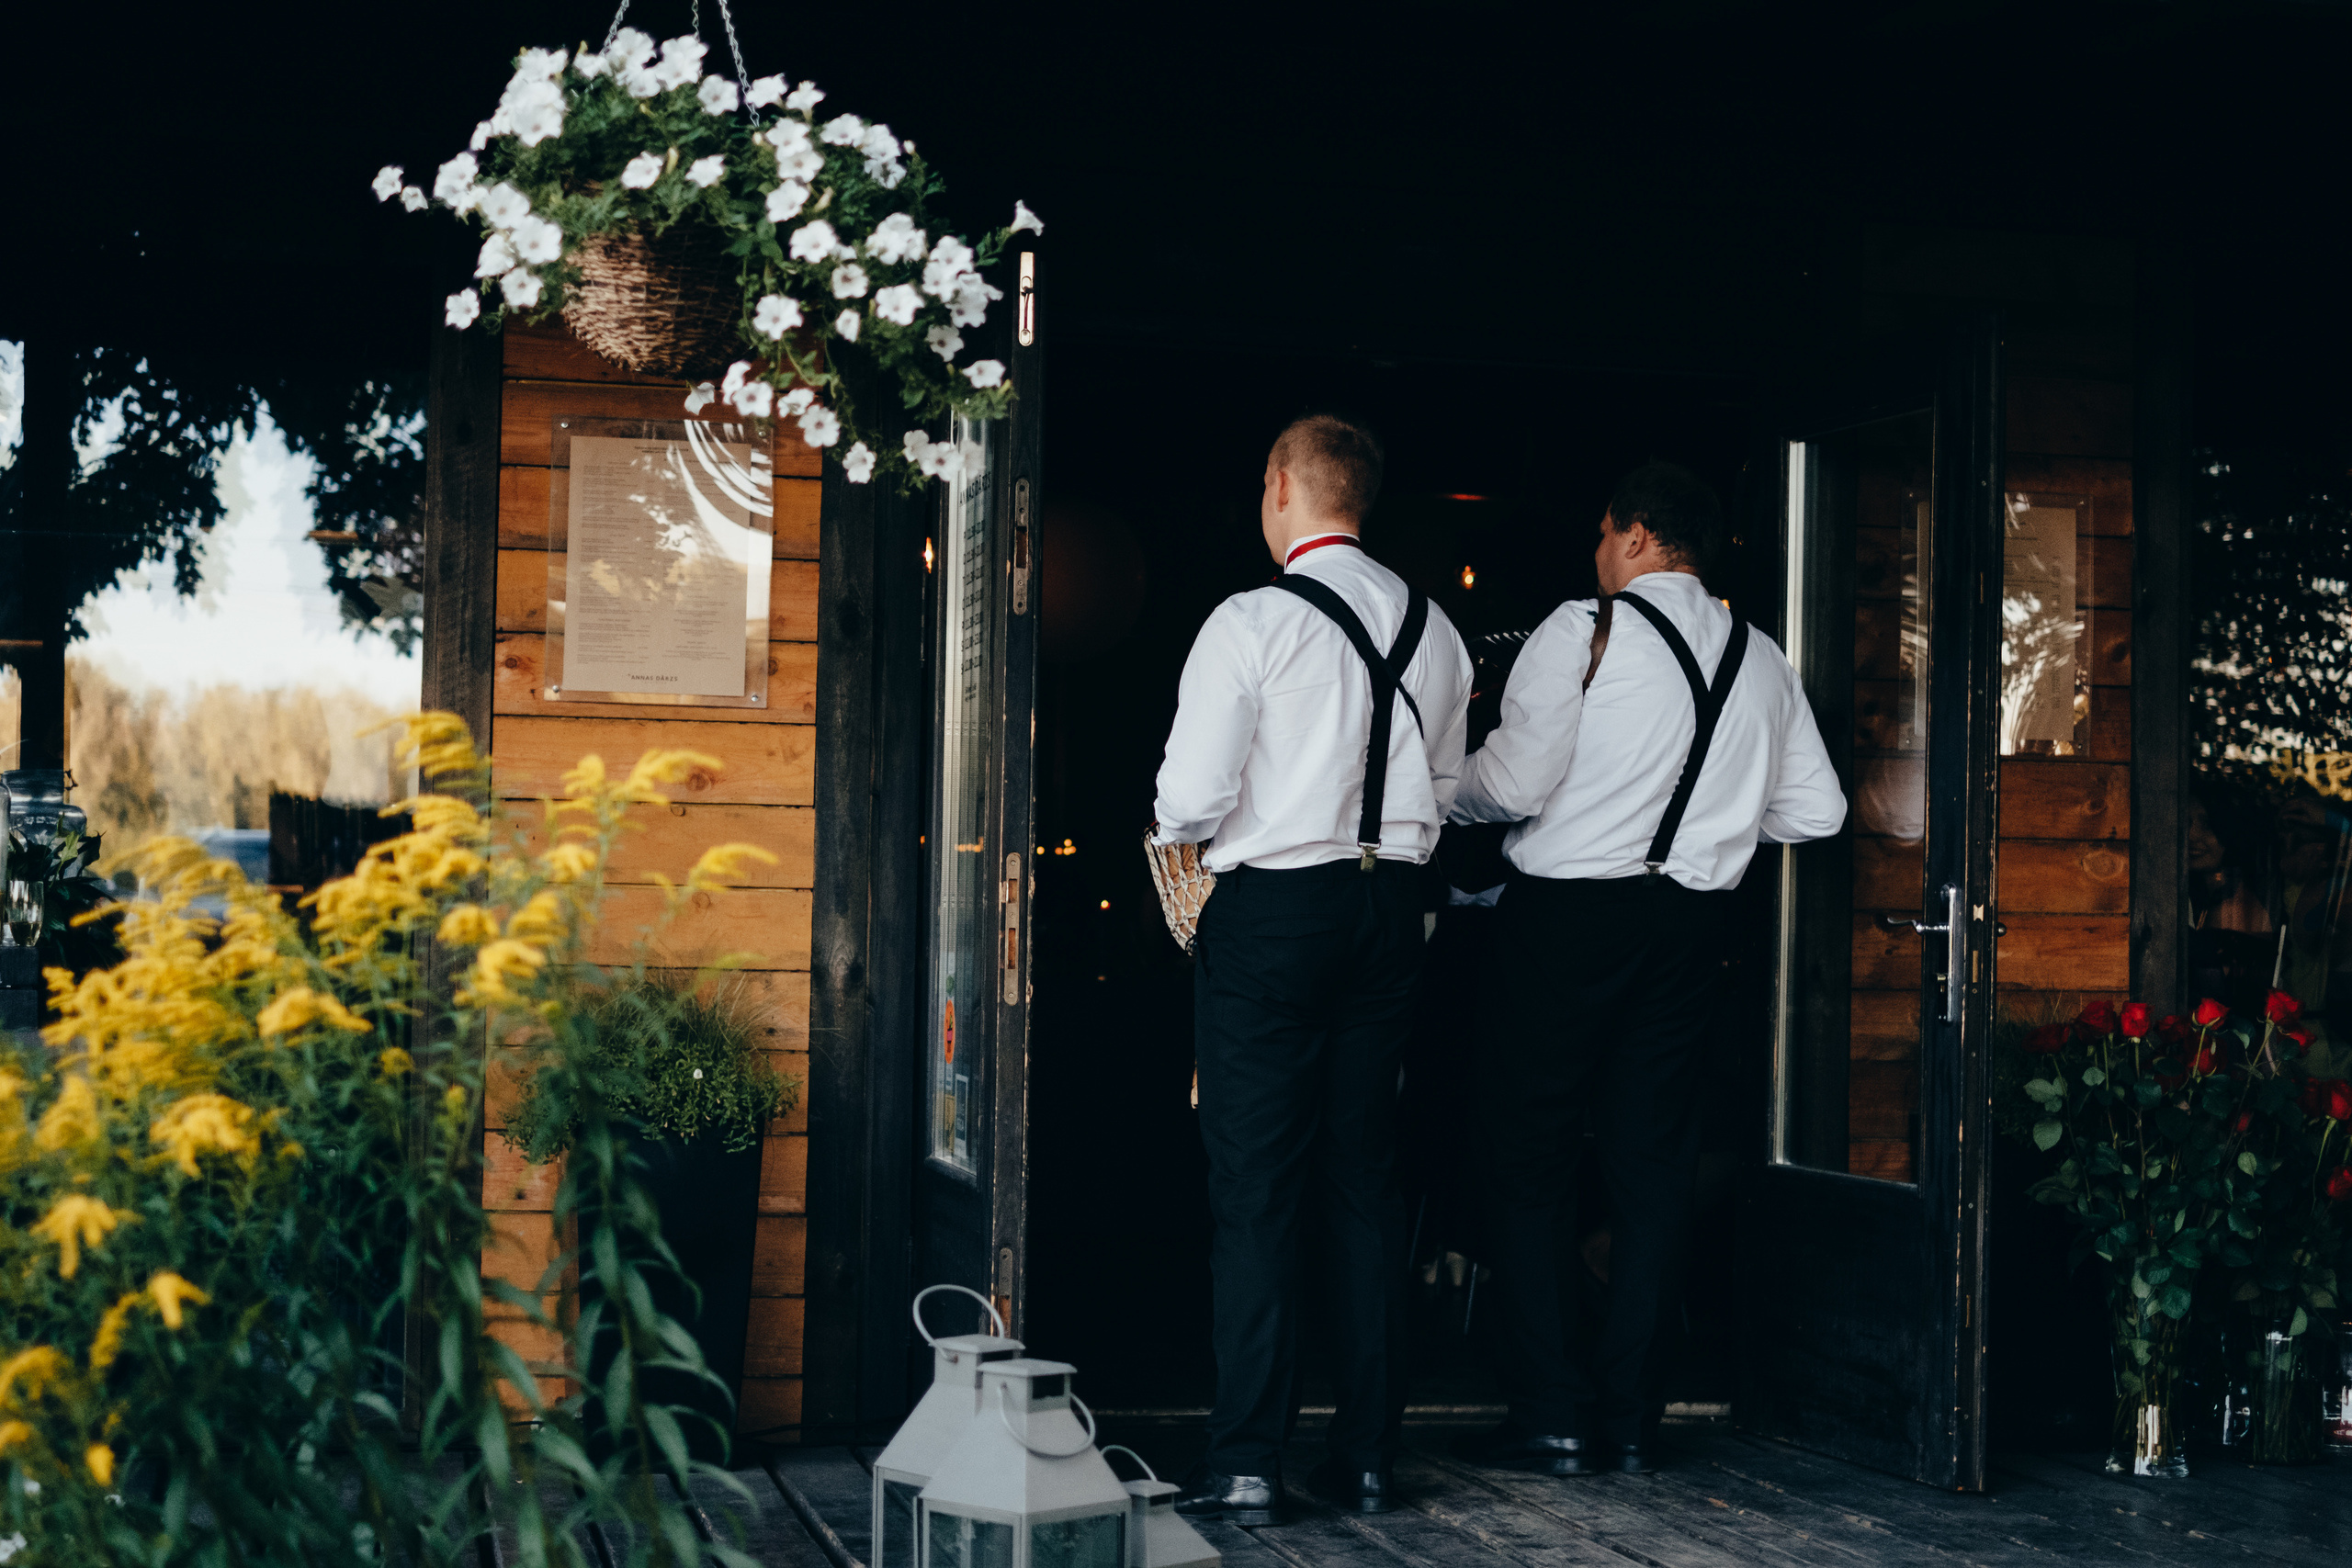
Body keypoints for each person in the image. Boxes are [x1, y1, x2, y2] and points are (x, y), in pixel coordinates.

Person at [1448, 461, 1846, 1475]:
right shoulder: (1759, 656)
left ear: (1631, 537)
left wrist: (1444, 789)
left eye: (1599, 533)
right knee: (1650, 1168)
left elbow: (1514, 780)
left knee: (1526, 1158)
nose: (1594, 552)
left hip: (1564, 921)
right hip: (1686, 930)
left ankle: (1550, 1410)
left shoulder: (1586, 628)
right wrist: (1707, 820)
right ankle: (1631, 1419)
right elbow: (1818, 813)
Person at [1152, 412, 1473, 1522]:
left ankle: (1247, 1457)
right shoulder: (1434, 630)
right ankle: (1370, 1456)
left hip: (1276, 913)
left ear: (1283, 486)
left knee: (1255, 1190)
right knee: (1363, 1181)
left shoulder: (1251, 620)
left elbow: (1188, 803)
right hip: (1390, 908)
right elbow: (1441, 782)